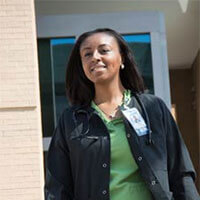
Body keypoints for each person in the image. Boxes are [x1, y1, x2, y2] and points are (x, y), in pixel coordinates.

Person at [45, 28, 200, 200]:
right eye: (87, 54)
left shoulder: (153, 108)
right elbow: (57, 188)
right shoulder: (71, 120)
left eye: (104, 50)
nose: (95, 57)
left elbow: (181, 172)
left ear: (122, 58)